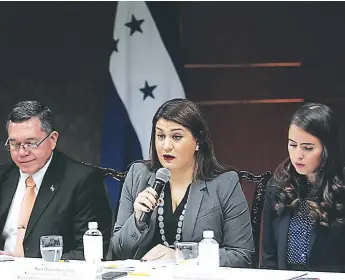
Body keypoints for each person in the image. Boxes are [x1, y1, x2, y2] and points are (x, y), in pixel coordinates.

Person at [111, 98, 254, 267]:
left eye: (176, 137)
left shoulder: (224, 183)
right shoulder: (138, 175)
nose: (166, 146)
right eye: (160, 136)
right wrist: (137, 220)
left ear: (198, 142)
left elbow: (242, 255)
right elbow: (118, 251)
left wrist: (182, 256)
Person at [0, 101, 112, 259]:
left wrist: (30, 265)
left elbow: (89, 253)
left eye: (31, 143)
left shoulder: (82, 181)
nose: (22, 152)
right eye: (14, 144)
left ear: (53, 139)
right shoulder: (3, 177)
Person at [261, 102, 345, 272]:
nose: (298, 155)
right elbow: (268, 256)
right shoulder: (277, 186)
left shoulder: (340, 189)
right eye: (292, 145)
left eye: (308, 148)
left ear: (327, 149)